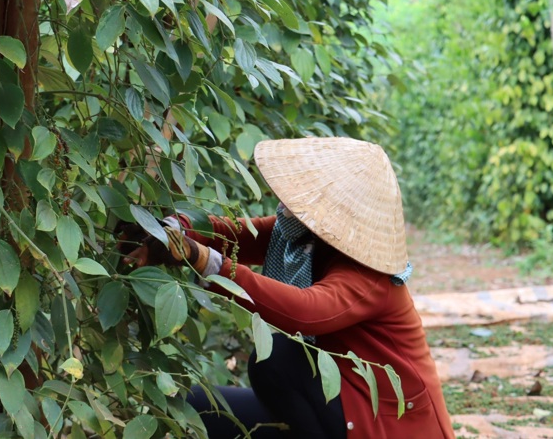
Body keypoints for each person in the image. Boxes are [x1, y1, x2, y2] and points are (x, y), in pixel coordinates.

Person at [120, 137, 454, 438]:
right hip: (337, 403)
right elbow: (236, 234)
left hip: (385, 423)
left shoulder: (368, 274)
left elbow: (304, 312)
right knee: (194, 407)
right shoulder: (304, 236)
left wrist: (207, 260)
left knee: (274, 359)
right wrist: (171, 230)